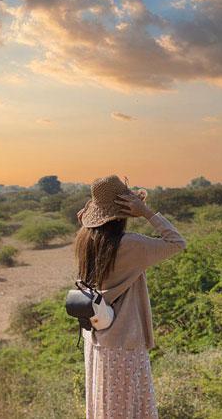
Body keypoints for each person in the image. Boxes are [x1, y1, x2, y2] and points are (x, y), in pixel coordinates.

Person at [74, 174, 186, 419]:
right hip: (123, 341)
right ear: (123, 213)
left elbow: (88, 227)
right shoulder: (131, 245)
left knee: (105, 407)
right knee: (127, 409)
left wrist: (87, 221)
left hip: (96, 337)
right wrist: (146, 212)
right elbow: (177, 242)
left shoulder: (85, 240)